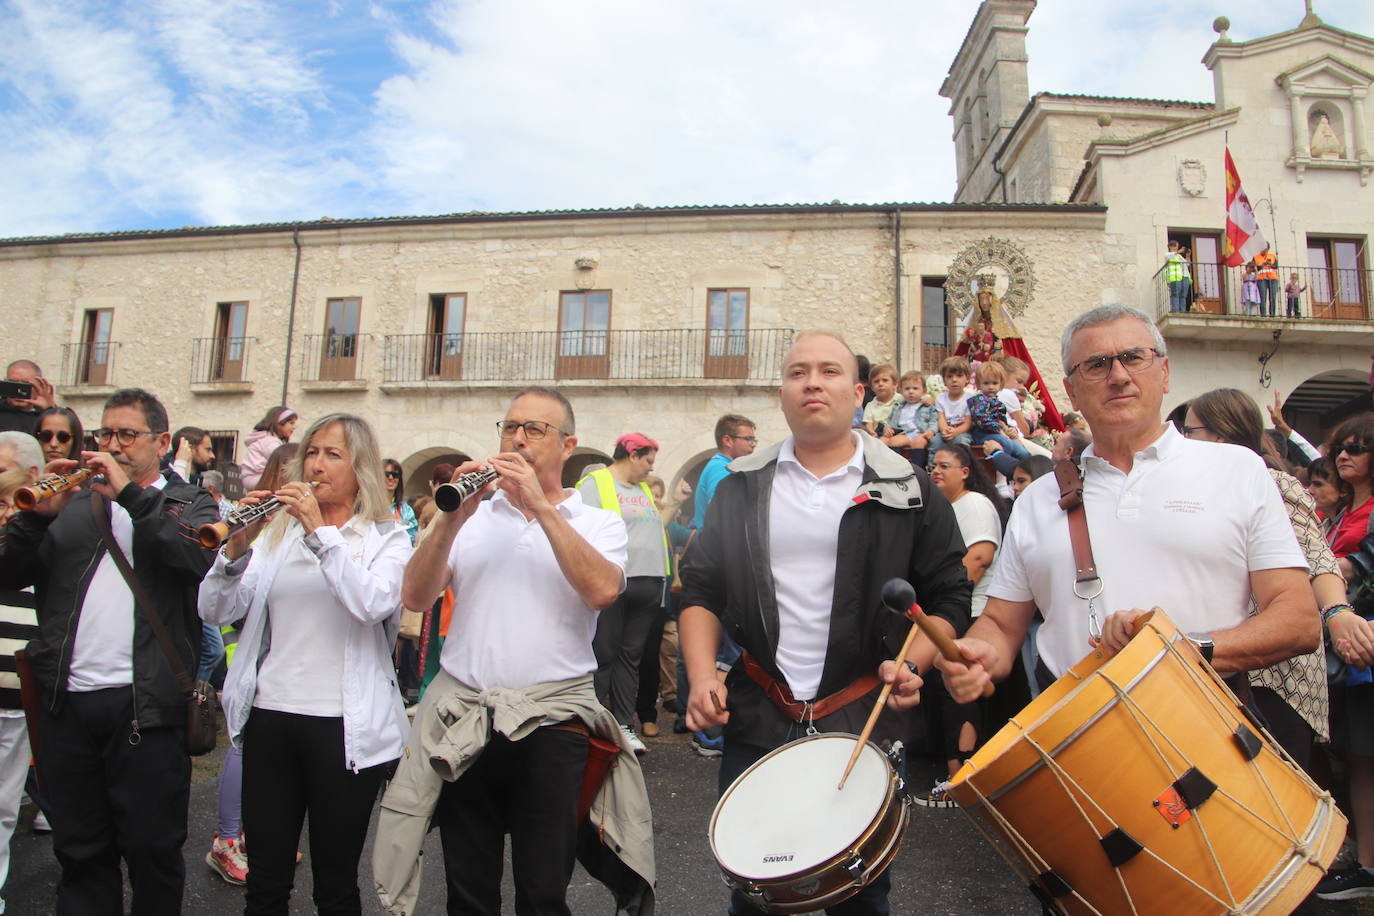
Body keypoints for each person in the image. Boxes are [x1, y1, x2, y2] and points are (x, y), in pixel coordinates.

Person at [680, 330, 972, 916]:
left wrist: (910, 665)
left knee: (859, 894)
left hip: (861, 717)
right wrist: (699, 677)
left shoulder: (909, 489)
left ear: (858, 391)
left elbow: (948, 596)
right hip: (760, 712)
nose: (813, 381)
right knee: (756, 887)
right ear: (783, 393)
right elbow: (701, 590)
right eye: (798, 372)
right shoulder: (740, 487)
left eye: (830, 371)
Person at [936, 304, 1317, 728]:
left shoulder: (1238, 469)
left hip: (1209, 731)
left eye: (1134, 357)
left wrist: (1182, 647)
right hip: (1074, 741)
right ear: (1071, 391)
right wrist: (983, 654)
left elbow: (1298, 620)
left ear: (1165, 372)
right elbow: (1002, 625)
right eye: (1096, 365)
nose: (1119, 376)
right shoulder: (1036, 499)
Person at [374, 386, 653, 916]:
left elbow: (601, 592)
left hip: (554, 725)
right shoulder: (470, 513)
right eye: (509, 427)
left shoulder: (598, 522)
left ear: (568, 445)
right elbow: (414, 595)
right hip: (466, 717)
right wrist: (450, 519)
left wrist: (541, 507)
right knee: (468, 886)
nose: (518, 439)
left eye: (535, 430)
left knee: (544, 888)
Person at [0, 387, 220, 914]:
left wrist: (129, 495)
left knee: (151, 849)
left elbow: (189, 558)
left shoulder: (189, 501)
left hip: (145, 707)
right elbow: (9, 571)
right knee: (79, 851)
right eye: (105, 434)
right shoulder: (73, 503)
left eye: (128, 434)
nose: (113, 445)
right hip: (67, 704)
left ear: (162, 442)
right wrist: (36, 518)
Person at [199, 413, 412, 914]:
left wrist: (319, 530)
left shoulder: (387, 538)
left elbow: (369, 603)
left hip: (345, 729)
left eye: (333, 454)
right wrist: (235, 550)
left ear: (360, 468)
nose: (317, 464)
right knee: (266, 882)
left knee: (335, 885)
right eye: (312, 452)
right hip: (272, 718)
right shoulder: (277, 535)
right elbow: (215, 611)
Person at [1182, 388, 1342, 771]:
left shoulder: (1270, 484)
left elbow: (1318, 559)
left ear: (1220, 435)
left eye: (1189, 432)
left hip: (1276, 676)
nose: (1181, 441)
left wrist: (1338, 611)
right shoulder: (1193, 489)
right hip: (1227, 666)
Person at [201, 441, 299, 887]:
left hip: (289, 666)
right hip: (254, 657)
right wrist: (240, 544)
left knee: (277, 763)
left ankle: (258, 835)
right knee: (242, 747)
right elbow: (218, 607)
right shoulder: (265, 527)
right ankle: (225, 840)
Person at [578, 433, 670, 755]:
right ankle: (587, 723)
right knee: (603, 654)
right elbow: (578, 532)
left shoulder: (643, 489)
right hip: (614, 581)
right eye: (647, 461)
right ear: (631, 455)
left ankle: (623, 725)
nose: (650, 468)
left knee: (630, 658)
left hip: (648, 584)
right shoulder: (596, 482)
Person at [1314, 416, 1374, 900]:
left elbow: (1355, 565)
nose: (1344, 455)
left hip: (1365, 644)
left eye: (1359, 447)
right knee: (1358, 758)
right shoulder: (1339, 512)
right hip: (1345, 651)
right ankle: (1366, 863)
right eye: (1341, 447)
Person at [923, 444, 1007, 786]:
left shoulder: (973, 504)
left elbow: (978, 558)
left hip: (971, 612)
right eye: (933, 466)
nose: (936, 471)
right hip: (950, 612)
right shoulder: (945, 508)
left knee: (960, 693)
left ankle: (962, 776)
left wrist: (947, 603)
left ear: (966, 472)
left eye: (945, 465)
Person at [0, 467, 39, 915]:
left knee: (6, 808)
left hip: (16, 706)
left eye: (18, 502)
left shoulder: (37, 551)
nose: (10, 513)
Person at [965, 360, 1029, 480]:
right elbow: (982, 419)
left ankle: (1025, 474)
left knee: (1022, 451)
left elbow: (1002, 420)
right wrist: (1000, 430)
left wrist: (1009, 429)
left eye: (994, 383)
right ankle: (1003, 479)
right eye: (986, 383)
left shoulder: (998, 402)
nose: (990, 387)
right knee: (1004, 444)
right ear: (978, 384)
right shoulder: (979, 400)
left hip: (997, 433)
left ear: (1001, 385)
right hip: (982, 434)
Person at [692, 414, 757, 531]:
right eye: (748, 439)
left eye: (754, 440)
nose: (753, 444)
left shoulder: (723, 467)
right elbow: (723, 517)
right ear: (728, 440)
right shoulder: (722, 468)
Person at [880, 370, 937, 470]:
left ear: (924, 391)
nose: (911, 391)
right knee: (885, 441)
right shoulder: (898, 406)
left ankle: (917, 470)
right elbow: (890, 421)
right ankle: (890, 468)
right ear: (901, 390)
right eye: (907, 388)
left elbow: (934, 420)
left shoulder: (927, 406)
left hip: (921, 433)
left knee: (916, 442)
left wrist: (931, 430)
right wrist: (887, 428)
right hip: (904, 433)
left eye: (915, 388)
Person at [240, 406, 298, 490]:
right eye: (291, 423)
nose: (294, 427)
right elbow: (283, 461)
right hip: (257, 477)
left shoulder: (265, 438)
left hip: (252, 478)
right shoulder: (270, 441)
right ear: (279, 423)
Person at [929, 355, 974, 459]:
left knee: (961, 441)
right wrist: (945, 430)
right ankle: (932, 467)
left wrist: (956, 432)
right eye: (949, 376)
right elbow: (941, 417)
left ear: (967, 378)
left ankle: (962, 466)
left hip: (962, 432)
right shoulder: (940, 399)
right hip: (946, 431)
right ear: (944, 380)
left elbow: (968, 422)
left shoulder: (970, 398)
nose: (954, 380)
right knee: (935, 441)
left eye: (959, 376)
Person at [0, 360, 54, 435]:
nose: (19, 390)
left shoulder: (46, 415)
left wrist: (50, 410)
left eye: (25, 385)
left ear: (39, 386)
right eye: (13, 383)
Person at [384, 458, 418, 545]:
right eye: (386, 474)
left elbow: (412, 535)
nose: (391, 478)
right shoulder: (369, 508)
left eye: (395, 474)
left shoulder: (406, 510)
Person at [861, 364, 900, 436]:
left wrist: (927, 399)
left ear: (894, 384)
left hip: (899, 433)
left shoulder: (901, 400)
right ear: (872, 387)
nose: (880, 384)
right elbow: (868, 424)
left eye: (885, 380)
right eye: (876, 381)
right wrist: (872, 433)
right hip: (880, 437)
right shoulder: (870, 406)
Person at [1162, 240, 1189, 313]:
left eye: (1177, 246)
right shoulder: (1167, 254)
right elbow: (1169, 256)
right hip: (1174, 278)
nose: (1177, 248)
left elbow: (1187, 264)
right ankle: (1175, 310)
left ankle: (1182, 311)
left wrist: (1188, 255)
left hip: (1183, 277)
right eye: (1176, 246)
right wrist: (1179, 251)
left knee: (1183, 295)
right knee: (1175, 294)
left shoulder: (1179, 256)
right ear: (1171, 247)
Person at [1255, 244, 1280, 318]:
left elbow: (1276, 266)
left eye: (1266, 249)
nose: (1264, 251)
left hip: (1272, 278)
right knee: (1263, 298)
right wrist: (1262, 265)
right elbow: (1253, 268)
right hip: (1261, 279)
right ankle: (1263, 315)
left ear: (1268, 249)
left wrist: (1270, 264)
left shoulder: (1272, 256)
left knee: (1273, 297)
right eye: (1263, 249)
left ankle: (1272, 315)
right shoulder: (1256, 257)